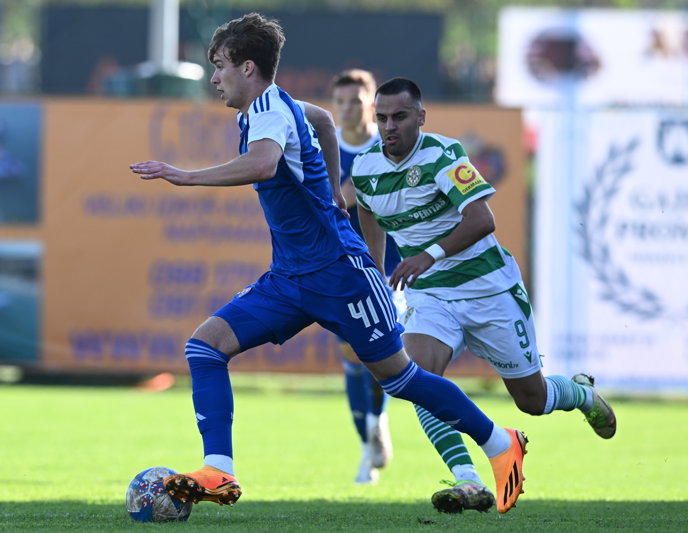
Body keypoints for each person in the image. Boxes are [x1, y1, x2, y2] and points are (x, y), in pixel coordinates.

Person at [130, 13, 528, 516]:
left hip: (341, 275)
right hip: (290, 277)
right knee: (205, 347)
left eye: (220, 66)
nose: (214, 78)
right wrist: (339, 193)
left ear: (248, 67)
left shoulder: (268, 111)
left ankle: (500, 443)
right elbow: (320, 120)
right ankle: (219, 469)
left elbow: (263, 164)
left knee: (400, 379)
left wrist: (185, 176)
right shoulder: (272, 107)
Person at [351, 77, 616, 514]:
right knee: (417, 379)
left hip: (489, 288)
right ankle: (468, 480)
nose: (389, 126)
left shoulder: (443, 154)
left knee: (532, 401)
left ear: (421, 116)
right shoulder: (365, 167)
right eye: (381, 118)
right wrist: (378, 272)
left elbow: (482, 219)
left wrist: (427, 256)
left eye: (399, 116)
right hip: (431, 294)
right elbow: (367, 210)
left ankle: (581, 393)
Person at [330, 69, 400, 484]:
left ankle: (378, 421)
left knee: (384, 354)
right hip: (342, 268)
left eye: (355, 102)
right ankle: (367, 444)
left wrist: (351, 190)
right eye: (340, 102)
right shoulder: (326, 146)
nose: (347, 110)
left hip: (392, 266)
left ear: (371, 104)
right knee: (352, 357)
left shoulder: (388, 145)